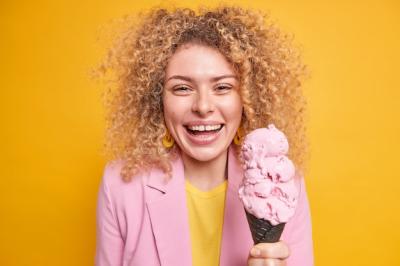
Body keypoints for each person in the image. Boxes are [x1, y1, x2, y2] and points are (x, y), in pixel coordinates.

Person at [94, 5, 313, 266]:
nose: (203, 106)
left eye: (222, 87)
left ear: (247, 97)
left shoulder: (283, 185)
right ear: (157, 99)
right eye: (182, 88)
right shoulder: (121, 186)